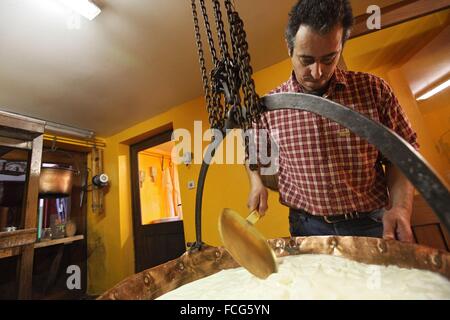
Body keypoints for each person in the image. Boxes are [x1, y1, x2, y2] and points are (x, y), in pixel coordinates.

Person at [246, 0, 419, 242]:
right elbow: (253, 156)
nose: (317, 72)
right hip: (307, 227)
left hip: (371, 223)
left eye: (328, 59)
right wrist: (256, 184)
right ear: (289, 48)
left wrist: (401, 207)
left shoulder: (374, 90)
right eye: (306, 60)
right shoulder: (268, 107)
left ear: (341, 47)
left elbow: (402, 156)